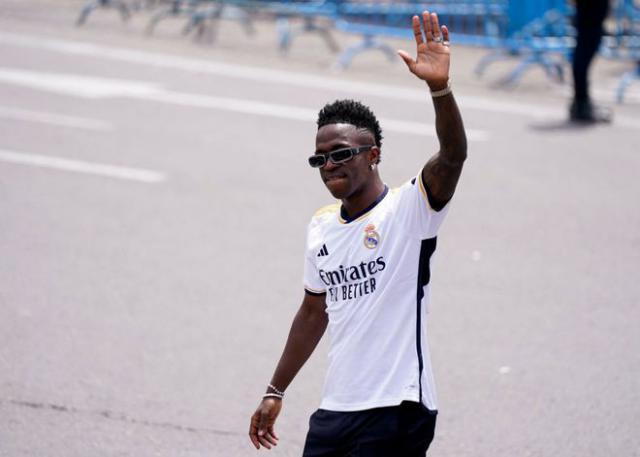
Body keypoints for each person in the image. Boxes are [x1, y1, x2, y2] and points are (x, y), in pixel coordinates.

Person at [249, 11, 467, 456]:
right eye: (320, 159)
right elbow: (313, 312)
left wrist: (439, 89)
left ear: (373, 154)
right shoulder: (322, 227)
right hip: (337, 409)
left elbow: (452, 155)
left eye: (341, 153)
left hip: (398, 407)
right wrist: (275, 390)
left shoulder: (410, 208)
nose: (329, 165)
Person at [570, 0, 611, 123]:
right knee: (584, 53)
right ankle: (581, 102)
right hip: (591, 13)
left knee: (584, 52)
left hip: (590, 13)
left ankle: (581, 100)